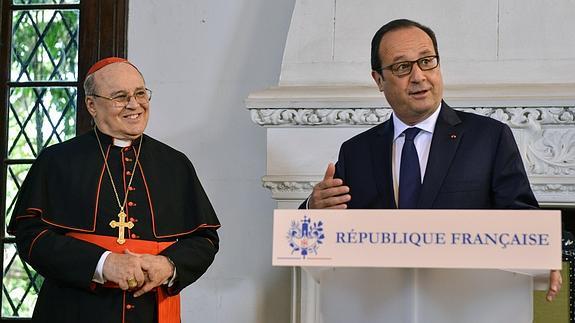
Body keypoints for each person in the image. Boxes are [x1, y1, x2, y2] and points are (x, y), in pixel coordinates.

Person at [302, 19, 561, 301]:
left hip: (467, 305)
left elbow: (522, 216)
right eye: (402, 67)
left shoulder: (489, 137)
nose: (418, 76)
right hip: (382, 306)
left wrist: (544, 252)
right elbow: (327, 231)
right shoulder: (356, 151)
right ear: (378, 80)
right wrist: (313, 209)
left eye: (427, 61)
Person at [8, 57, 220, 323]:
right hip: (73, 310)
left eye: (140, 93)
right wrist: (102, 263)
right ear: (91, 105)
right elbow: (31, 237)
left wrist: (167, 265)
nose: (134, 104)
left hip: (151, 312)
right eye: (120, 97)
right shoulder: (57, 161)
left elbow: (205, 240)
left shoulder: (175, 164)